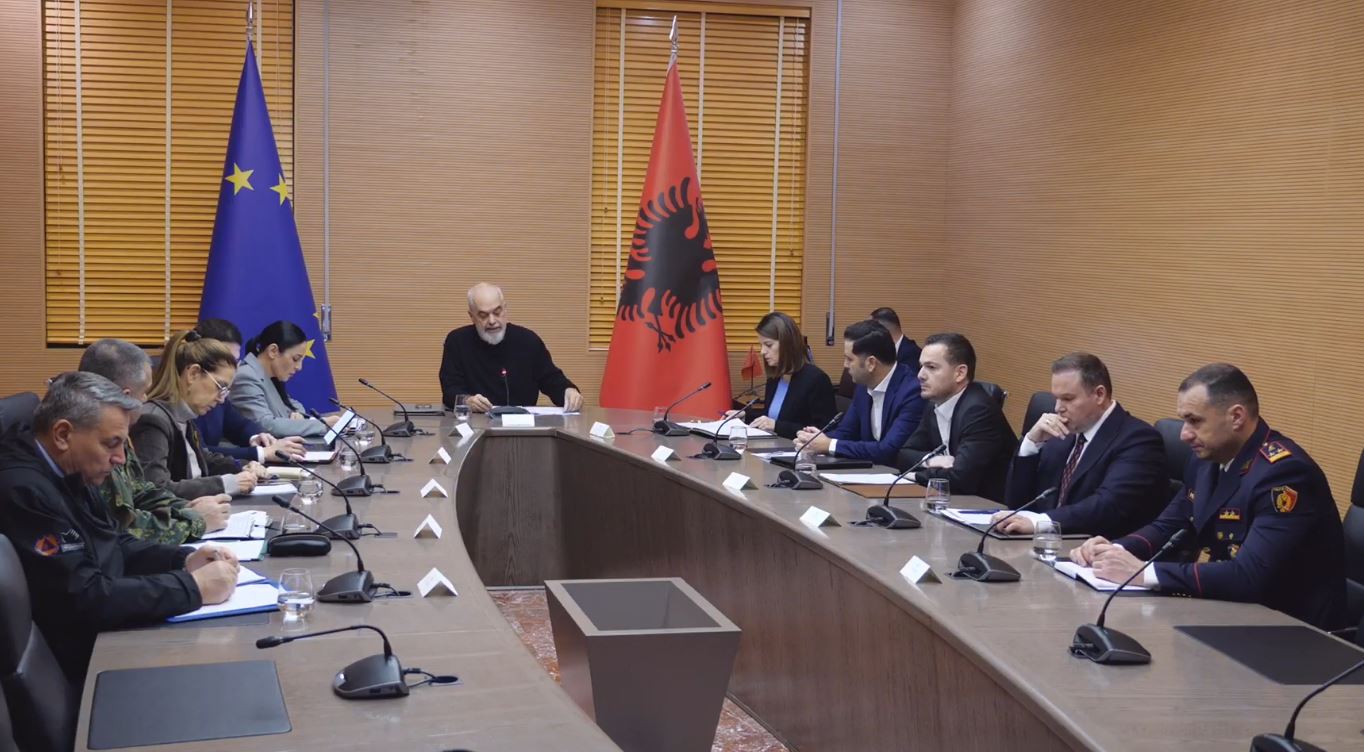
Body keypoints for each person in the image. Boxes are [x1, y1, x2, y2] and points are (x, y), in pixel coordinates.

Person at [0, 372, 239, 683]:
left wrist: (183, 559)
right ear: (62, 434)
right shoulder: (23, 490)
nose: (120, 459)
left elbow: (114, 542)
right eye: (111, 444)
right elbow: (83, 598)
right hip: (82, 665)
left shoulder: (68, 466)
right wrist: (192, 588)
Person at [1070, 364, 1347, 629]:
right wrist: (1114, 551)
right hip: (1227, 613)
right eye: (1183, 420)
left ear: (1236, 417)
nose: (1184, 434)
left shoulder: (1284, 474)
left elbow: (1249, 576)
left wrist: (1143, 573)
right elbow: (1170, 525)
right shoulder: (1207, 460)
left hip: (1290, 629)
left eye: (1194, 421)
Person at [996, 352, 1167, 538]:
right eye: (1056, 398)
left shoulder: (1138, 439)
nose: (1058, 408)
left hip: (1098, 548)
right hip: (1042, 544)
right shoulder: (1061, 433)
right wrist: (1031, 444)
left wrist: (1041, 522)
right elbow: (1018, 504)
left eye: (1068, 399)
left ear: (1099, 394)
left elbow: (1108, 505)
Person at [78, 338, 230, 543]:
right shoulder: (90, 442)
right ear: (125, 395)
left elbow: (141, 491)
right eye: (143, 393)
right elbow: (122, 527)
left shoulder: (114, 434)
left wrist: (185, 507)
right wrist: (194, 522)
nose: (145, 400)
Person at [132, 331, 267, 499]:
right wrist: (226, 484)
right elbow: (156, 490)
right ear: (193, 374)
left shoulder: (184, 416)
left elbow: (202, 459)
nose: (221, 399)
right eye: (220, 387)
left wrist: (241, 467)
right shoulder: (153, 420)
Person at [896, 333, 1015, 501]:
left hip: (985, 506)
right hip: (951, 501)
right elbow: (904, 454)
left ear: (960, 373)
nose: (920, 375)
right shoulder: (935, 403)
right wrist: (931, 460)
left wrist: (915, 476)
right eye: (921, 366)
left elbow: (961, 478)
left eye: (931, 367)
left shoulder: (978, 410)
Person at [439, 282, 582, 413]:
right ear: (472, 316)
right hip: (476, 423)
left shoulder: (528, 341)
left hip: (521, 426)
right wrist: (467, 401)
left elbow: (551, 379)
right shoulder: (457, 342)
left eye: (497, 312)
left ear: (505, 309)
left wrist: (568, 391)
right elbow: (450, 390)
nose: (492, 321)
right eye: (483, 315)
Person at [795, 320, 922, 467]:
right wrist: (814, 440)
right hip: (868, 471)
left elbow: (888, 450)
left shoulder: (912, 392)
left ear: (871, 363)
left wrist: (828, 445)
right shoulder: (863, 386)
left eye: (849, 359)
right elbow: (846, 433)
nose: (845, 365)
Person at [193, 318, 305, 462]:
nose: (234, 369)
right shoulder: (179, 404)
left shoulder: (219, 395)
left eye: (235, 361)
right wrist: (261, 453)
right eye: (227, 361)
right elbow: (199, 452)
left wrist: (258, 437)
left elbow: (240, 425)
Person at [732, 312, 835, 439]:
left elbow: (825, 432)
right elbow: (771, 417)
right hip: (772, 446)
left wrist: (776, 426)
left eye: (768, 345)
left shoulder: (816, 380)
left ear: (787, 344)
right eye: (761, 345)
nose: (762, 351)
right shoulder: (775, 378)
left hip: (798, 449)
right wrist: (745, 416)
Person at [229, 320, 337, 438]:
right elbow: (265, 425)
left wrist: (297, 414)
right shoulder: (246, 377)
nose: (299, 367)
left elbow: (293, 405)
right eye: (295, 359)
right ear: (273, 351)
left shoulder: (271, 376)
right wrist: (323, 425)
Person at [837, 307, 920, 399]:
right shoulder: (865, 382)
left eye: (870, 328)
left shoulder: (912, 355)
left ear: (881, 332)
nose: (845, 365)